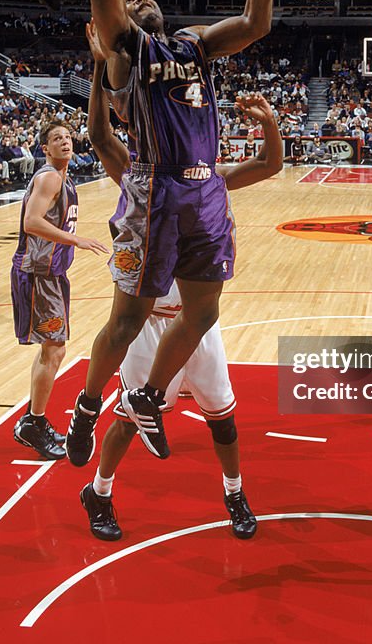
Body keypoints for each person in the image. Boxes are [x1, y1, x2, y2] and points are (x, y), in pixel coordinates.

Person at [65, 0, 273, 465]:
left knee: (205, 314)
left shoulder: (193, 44)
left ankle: (151, 397)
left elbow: (254, 22)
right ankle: (89, 406)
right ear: (119, 17)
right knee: (127, 320)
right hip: (154, 189)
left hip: (203, 188)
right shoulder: (125, 55)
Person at [78, 34, 282, 539]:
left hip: (194, 328)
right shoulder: (142, 174)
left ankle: (235, 492)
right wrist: (100, 70)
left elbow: (270, 165)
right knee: (128, 420)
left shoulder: (206, 179)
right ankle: (99, 491)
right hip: (148, 326)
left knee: (224, 420)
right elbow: (102, 140)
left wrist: (271, 125)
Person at [10, 121, 108, 460]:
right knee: (53, 349)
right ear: (45, 148)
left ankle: (33, 420)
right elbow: (31, 221)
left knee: (54, 349)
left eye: (67, 137)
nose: (65, 142)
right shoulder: (50, 176)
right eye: (56, 139)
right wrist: (76, 240)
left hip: (51, 273)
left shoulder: (64, 178)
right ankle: (32, 423)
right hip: (38, 272)